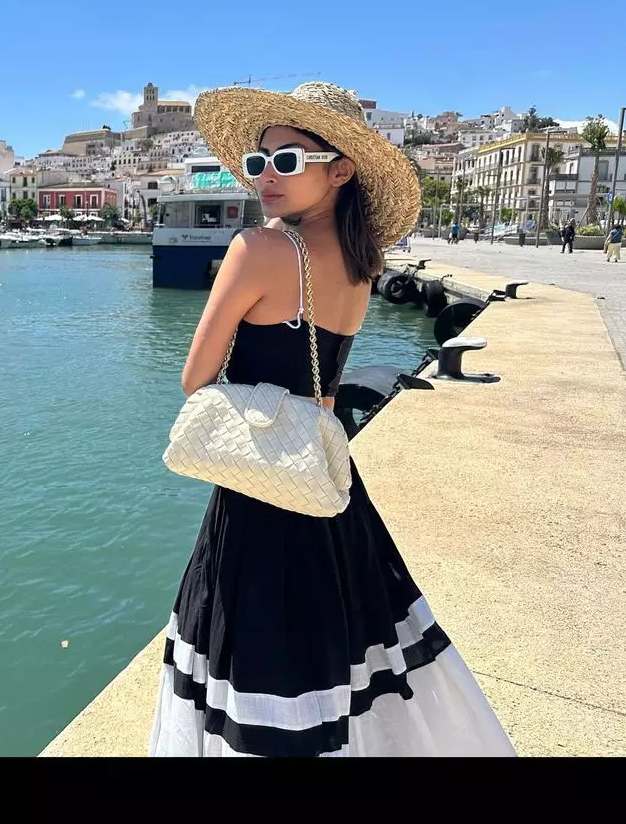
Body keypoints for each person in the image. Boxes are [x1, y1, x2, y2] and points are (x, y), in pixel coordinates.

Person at [149, 82, 515, 757]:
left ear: (340, 170)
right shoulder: (362, 261)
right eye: (258, 162)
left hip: (262, 478)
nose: (265, 176)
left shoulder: (258, 250)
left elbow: (195, 378)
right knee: (342, 635)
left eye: (287, 160)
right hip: (324, 469)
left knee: (255, 642)